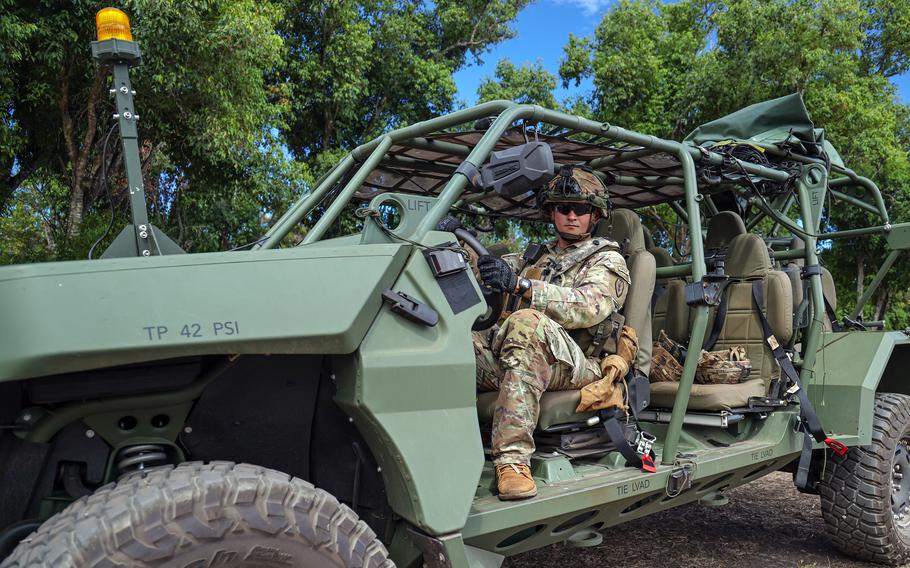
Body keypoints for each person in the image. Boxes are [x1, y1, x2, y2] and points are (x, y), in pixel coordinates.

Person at [474, 165, 631, 500]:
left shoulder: (607, 260)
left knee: (528, 322)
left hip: (578, 363)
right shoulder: (536, 254)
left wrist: (524, 286)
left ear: (596, 214)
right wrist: (461, 253)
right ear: (551, 212)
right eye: (563, 208)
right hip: (517, 355)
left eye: (581, 209)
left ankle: (513, 461)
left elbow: (588, 306)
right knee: (452, 339)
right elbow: (492, 272)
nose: (571, 216)